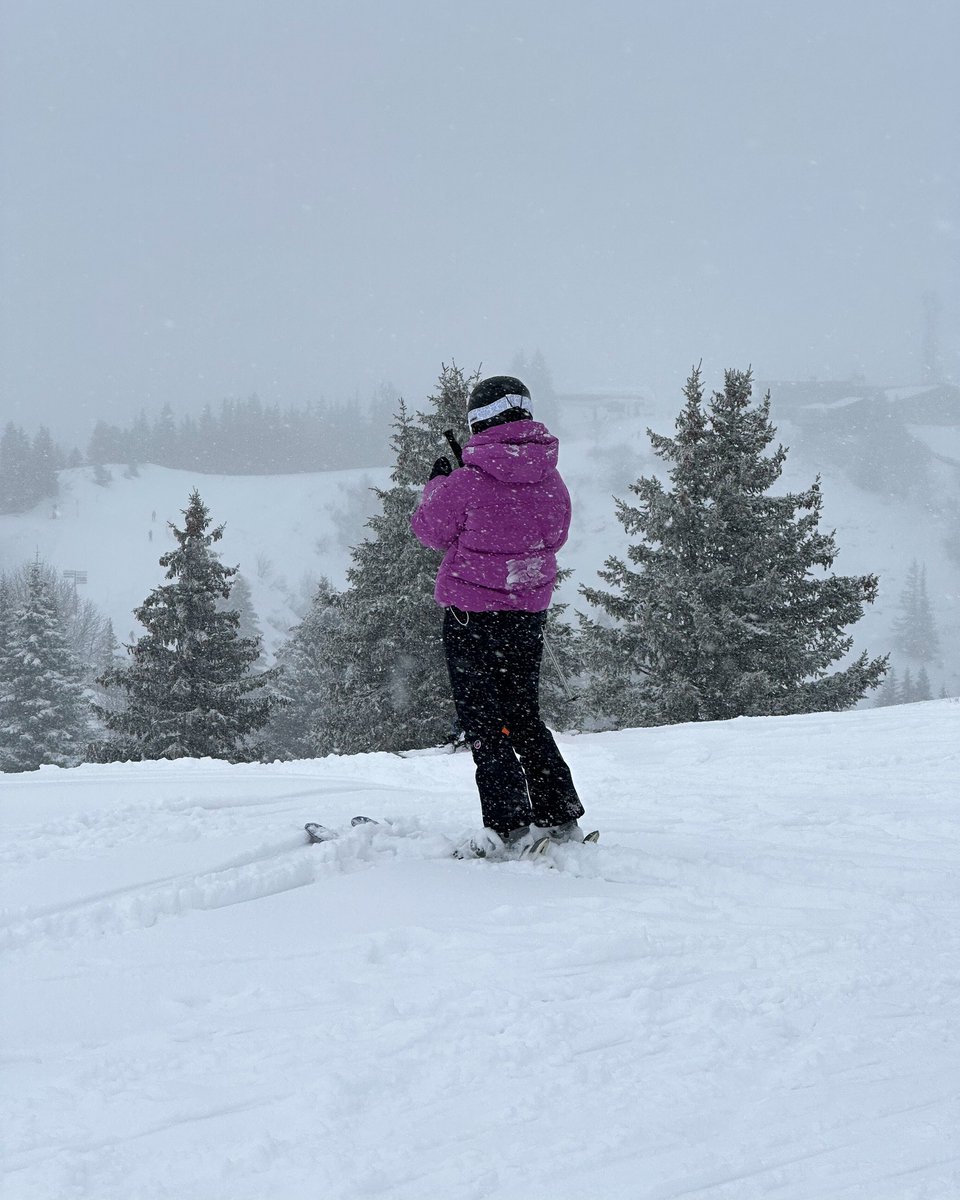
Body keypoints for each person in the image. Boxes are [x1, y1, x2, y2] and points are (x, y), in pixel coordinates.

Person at [411, 375, 586, 857]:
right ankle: (558, 813)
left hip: (472, 617)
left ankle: (506, 825)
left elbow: (429, 530)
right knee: (523, 714)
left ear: (479, 420)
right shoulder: (551, 478)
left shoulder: (466, 480)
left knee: (485, 723)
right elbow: (555, 537)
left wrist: (435, 485)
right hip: (527, 613)